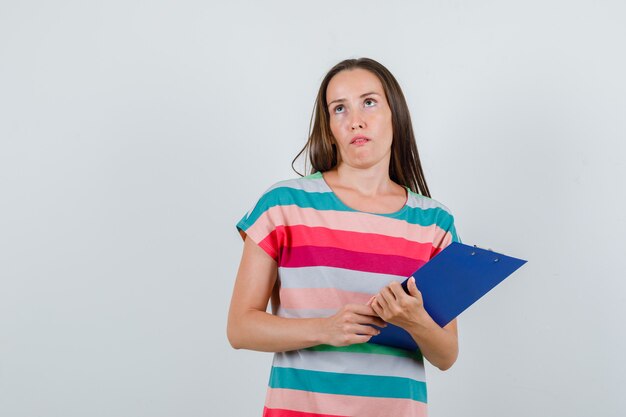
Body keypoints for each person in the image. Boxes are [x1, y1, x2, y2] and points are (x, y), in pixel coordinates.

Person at [227, 57, 460, 417]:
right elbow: (240, 328)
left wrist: (414, 320)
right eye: (339, 109)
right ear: (329, 126)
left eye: (369, 102)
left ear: (395, 114)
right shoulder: (283, 205)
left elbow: (446, 355)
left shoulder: (434, 223)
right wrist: (326, 328)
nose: (355, 120)